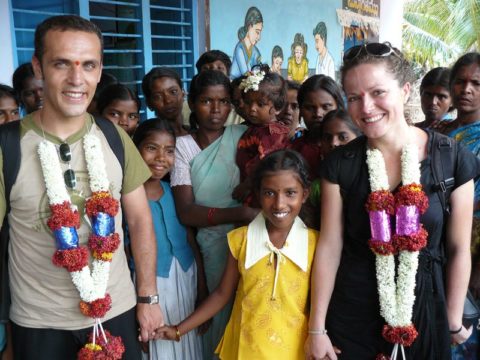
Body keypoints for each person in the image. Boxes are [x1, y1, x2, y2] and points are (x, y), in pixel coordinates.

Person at [0, 15, 163, 359]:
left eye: (88, 65)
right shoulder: (7, 147)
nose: (77, 79)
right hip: (39, 323)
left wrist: (148, 297)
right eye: (62, 64)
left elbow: (139, 221)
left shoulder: (114, 137)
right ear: (39, 67)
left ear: (100, 70)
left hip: (115, 311)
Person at [305, 42, 478, 360]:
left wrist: (452, 318)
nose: (366, 108)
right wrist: (317, 329)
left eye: (378, 92)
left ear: (406, 90)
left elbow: (457, 248)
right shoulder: (340, 165)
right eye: (354, 98)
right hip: (353, 312)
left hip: (426, 308)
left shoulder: (452, 160)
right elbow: (330, 247)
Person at [160, 149, 318, 360]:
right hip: (246, 349)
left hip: (294, 350)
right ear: (258, 194)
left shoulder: (315, 244)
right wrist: (179, 330)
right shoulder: (241, 239)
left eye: (290, 193)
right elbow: (222, 294)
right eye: (269, 193)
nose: (279, 204)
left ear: (304, 194)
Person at [169, 70, 257, 359]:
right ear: (192, 103)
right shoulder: (182, 147)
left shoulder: (244, 136)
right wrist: (239, 213)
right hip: (212, 246)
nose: (216, 109)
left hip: (251, 240)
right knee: (218, 320)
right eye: (207, 101)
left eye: (223, 101)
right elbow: (186, 212)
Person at [132, 118, 202, 360]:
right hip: (150, 285)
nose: (161, 157)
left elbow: (191, 241)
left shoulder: (174, 192)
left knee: (186, 344)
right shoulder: (128, 198)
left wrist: (201, 289)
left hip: (186, 277)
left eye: (169, 151)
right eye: (151, 148)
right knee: (156, 345)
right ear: (135, 149)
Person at [446, 53, 480, 359]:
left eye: (476, 83)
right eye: (460, 81)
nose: (467, 89)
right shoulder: (441, 133)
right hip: (442, 241)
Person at [234, 65, 290, 205]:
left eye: (260, 104)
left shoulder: (272, 134)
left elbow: (267, 164)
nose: (252, 109)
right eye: (248, 102)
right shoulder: (255, 128)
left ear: (277, 108)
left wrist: (246, 186)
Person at [300, 109, 362, 230]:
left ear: (359, 138)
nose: (334, 143)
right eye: (327, 138)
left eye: (342, 137)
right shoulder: (317, 187)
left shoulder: (369, 174)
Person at [291, 74, 345, 177]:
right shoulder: (293, 151)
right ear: (301, 110)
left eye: (326, 107)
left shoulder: (351, 146)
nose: (318, 114)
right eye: (310, 108)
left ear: (339, 107)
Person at [143, 67, 188, 136]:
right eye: (158, 97)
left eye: (173, 92)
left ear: (183, 93)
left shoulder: (199, 134)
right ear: (149, 104)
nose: (168, 100)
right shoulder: (151, 140)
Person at [230, 6, 263, 79]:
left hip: (249, 84)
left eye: (260, 33)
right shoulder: (240, 48)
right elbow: (245, 73)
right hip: (235, 83)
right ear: (249, 27)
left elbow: (257, 69)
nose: (259, 37)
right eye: (257, 32)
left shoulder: (256, 52)